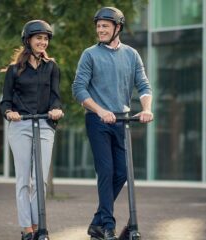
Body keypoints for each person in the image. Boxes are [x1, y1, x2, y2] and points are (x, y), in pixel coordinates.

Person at [72, 7, 153, 240]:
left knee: (123, 172)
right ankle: (108, 225)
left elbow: (144, 86)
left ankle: (97, 222)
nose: (100, 30)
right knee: (106, 171)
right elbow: (78, 89)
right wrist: (100, 110)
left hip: (122, 122)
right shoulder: (89, 54)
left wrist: (146, 109)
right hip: (98, 121)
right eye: (98, 26)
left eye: (105, 26)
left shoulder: (132, 55)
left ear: (118, 27)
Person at [0, 19, 63, 240]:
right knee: (24, 180)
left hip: (44, 126)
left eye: (46, 38)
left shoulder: (52, 67)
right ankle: (27, 230)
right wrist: (10, 113)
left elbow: (56, 98)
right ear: (28, 40)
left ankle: (39, 227)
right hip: (21, 126)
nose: (43, 42)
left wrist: (56, 110)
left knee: (40, 180)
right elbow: (5, 102)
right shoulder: (14, 70)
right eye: (39, 38)